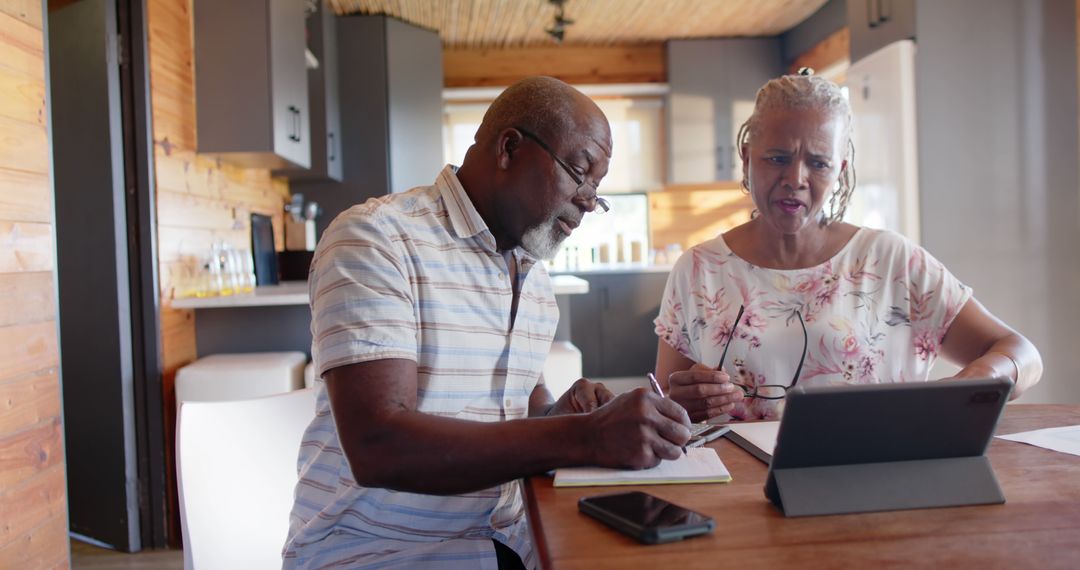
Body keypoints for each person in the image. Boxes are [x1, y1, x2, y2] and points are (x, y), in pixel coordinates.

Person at [283, 76, 692, 569]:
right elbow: (380, 445)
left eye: (596, 189)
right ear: (510, 149)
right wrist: (587, 437)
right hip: (382, 552)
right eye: (579, 172)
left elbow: (522, 408)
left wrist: (569, 414)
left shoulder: (531, 272)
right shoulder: (375, 239)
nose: (588, 199)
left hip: (511, 540)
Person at [653, 72, 1043, 423]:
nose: (796, 179)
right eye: (777, 158)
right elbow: (668, 402)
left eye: (818, 163)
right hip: (741, 492)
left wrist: (975, 381)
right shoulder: (698, 269)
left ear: (839, 171)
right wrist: (683, 402)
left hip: (881, 482)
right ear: (746, 158)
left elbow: (1022, 354)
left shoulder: (891, 262)